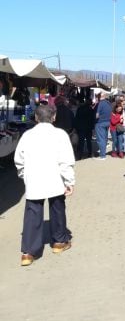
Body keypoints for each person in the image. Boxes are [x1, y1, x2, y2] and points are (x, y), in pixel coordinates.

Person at [14, 104, 75, 266]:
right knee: (57, 208)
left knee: (32, 212)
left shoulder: (27, 135)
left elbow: (19, 160)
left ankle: (28, 252)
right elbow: (66, 161)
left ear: (35, 118)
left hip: (34, 178)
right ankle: (59, 242)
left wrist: (24, 175)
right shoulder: (60, 134)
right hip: (55, 177)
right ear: (54, 117)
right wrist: (70, 181)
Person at [94, 93, 112, 160]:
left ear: (100, 97)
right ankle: (103, 152)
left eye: (97, 96)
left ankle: (102, 155)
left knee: (101, 139)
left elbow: (97, 115)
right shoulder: (108, 103)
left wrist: (95, 118)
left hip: (100, 123)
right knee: (104, 138)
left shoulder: (100, 104)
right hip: (108, 122)